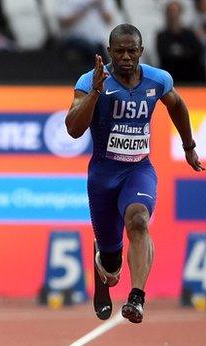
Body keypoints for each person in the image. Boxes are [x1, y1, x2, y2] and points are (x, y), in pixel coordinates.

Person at [65, 23, 204, 323]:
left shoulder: (158, 80)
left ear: (141, 51)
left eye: (132, 51)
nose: (126, 57)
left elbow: (177, 105)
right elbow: (73, 129)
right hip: (103, 176)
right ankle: (104, 264)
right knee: (112, 261)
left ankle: (137, 298)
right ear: (109, 52)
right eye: (119, 52)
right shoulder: (90, 81)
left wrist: (189, 145)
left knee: (139, 220)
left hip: (138, 170)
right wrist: (96, 93)